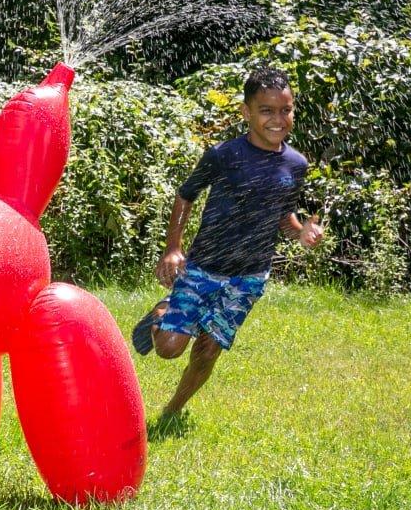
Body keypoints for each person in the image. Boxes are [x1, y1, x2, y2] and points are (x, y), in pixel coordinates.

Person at [131, 67, 323, 422]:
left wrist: (300, 232)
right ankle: (161, 313)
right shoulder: (224, 155)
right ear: (246, 112)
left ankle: (172, 411)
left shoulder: (296, 165)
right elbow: (186, 195)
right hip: (204, 267)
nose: (278, 119)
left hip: (248, 277)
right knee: (170, 349)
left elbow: (284, 214)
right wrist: (174, 247)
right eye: (266, 110)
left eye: (286, 110)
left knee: (208, 350)